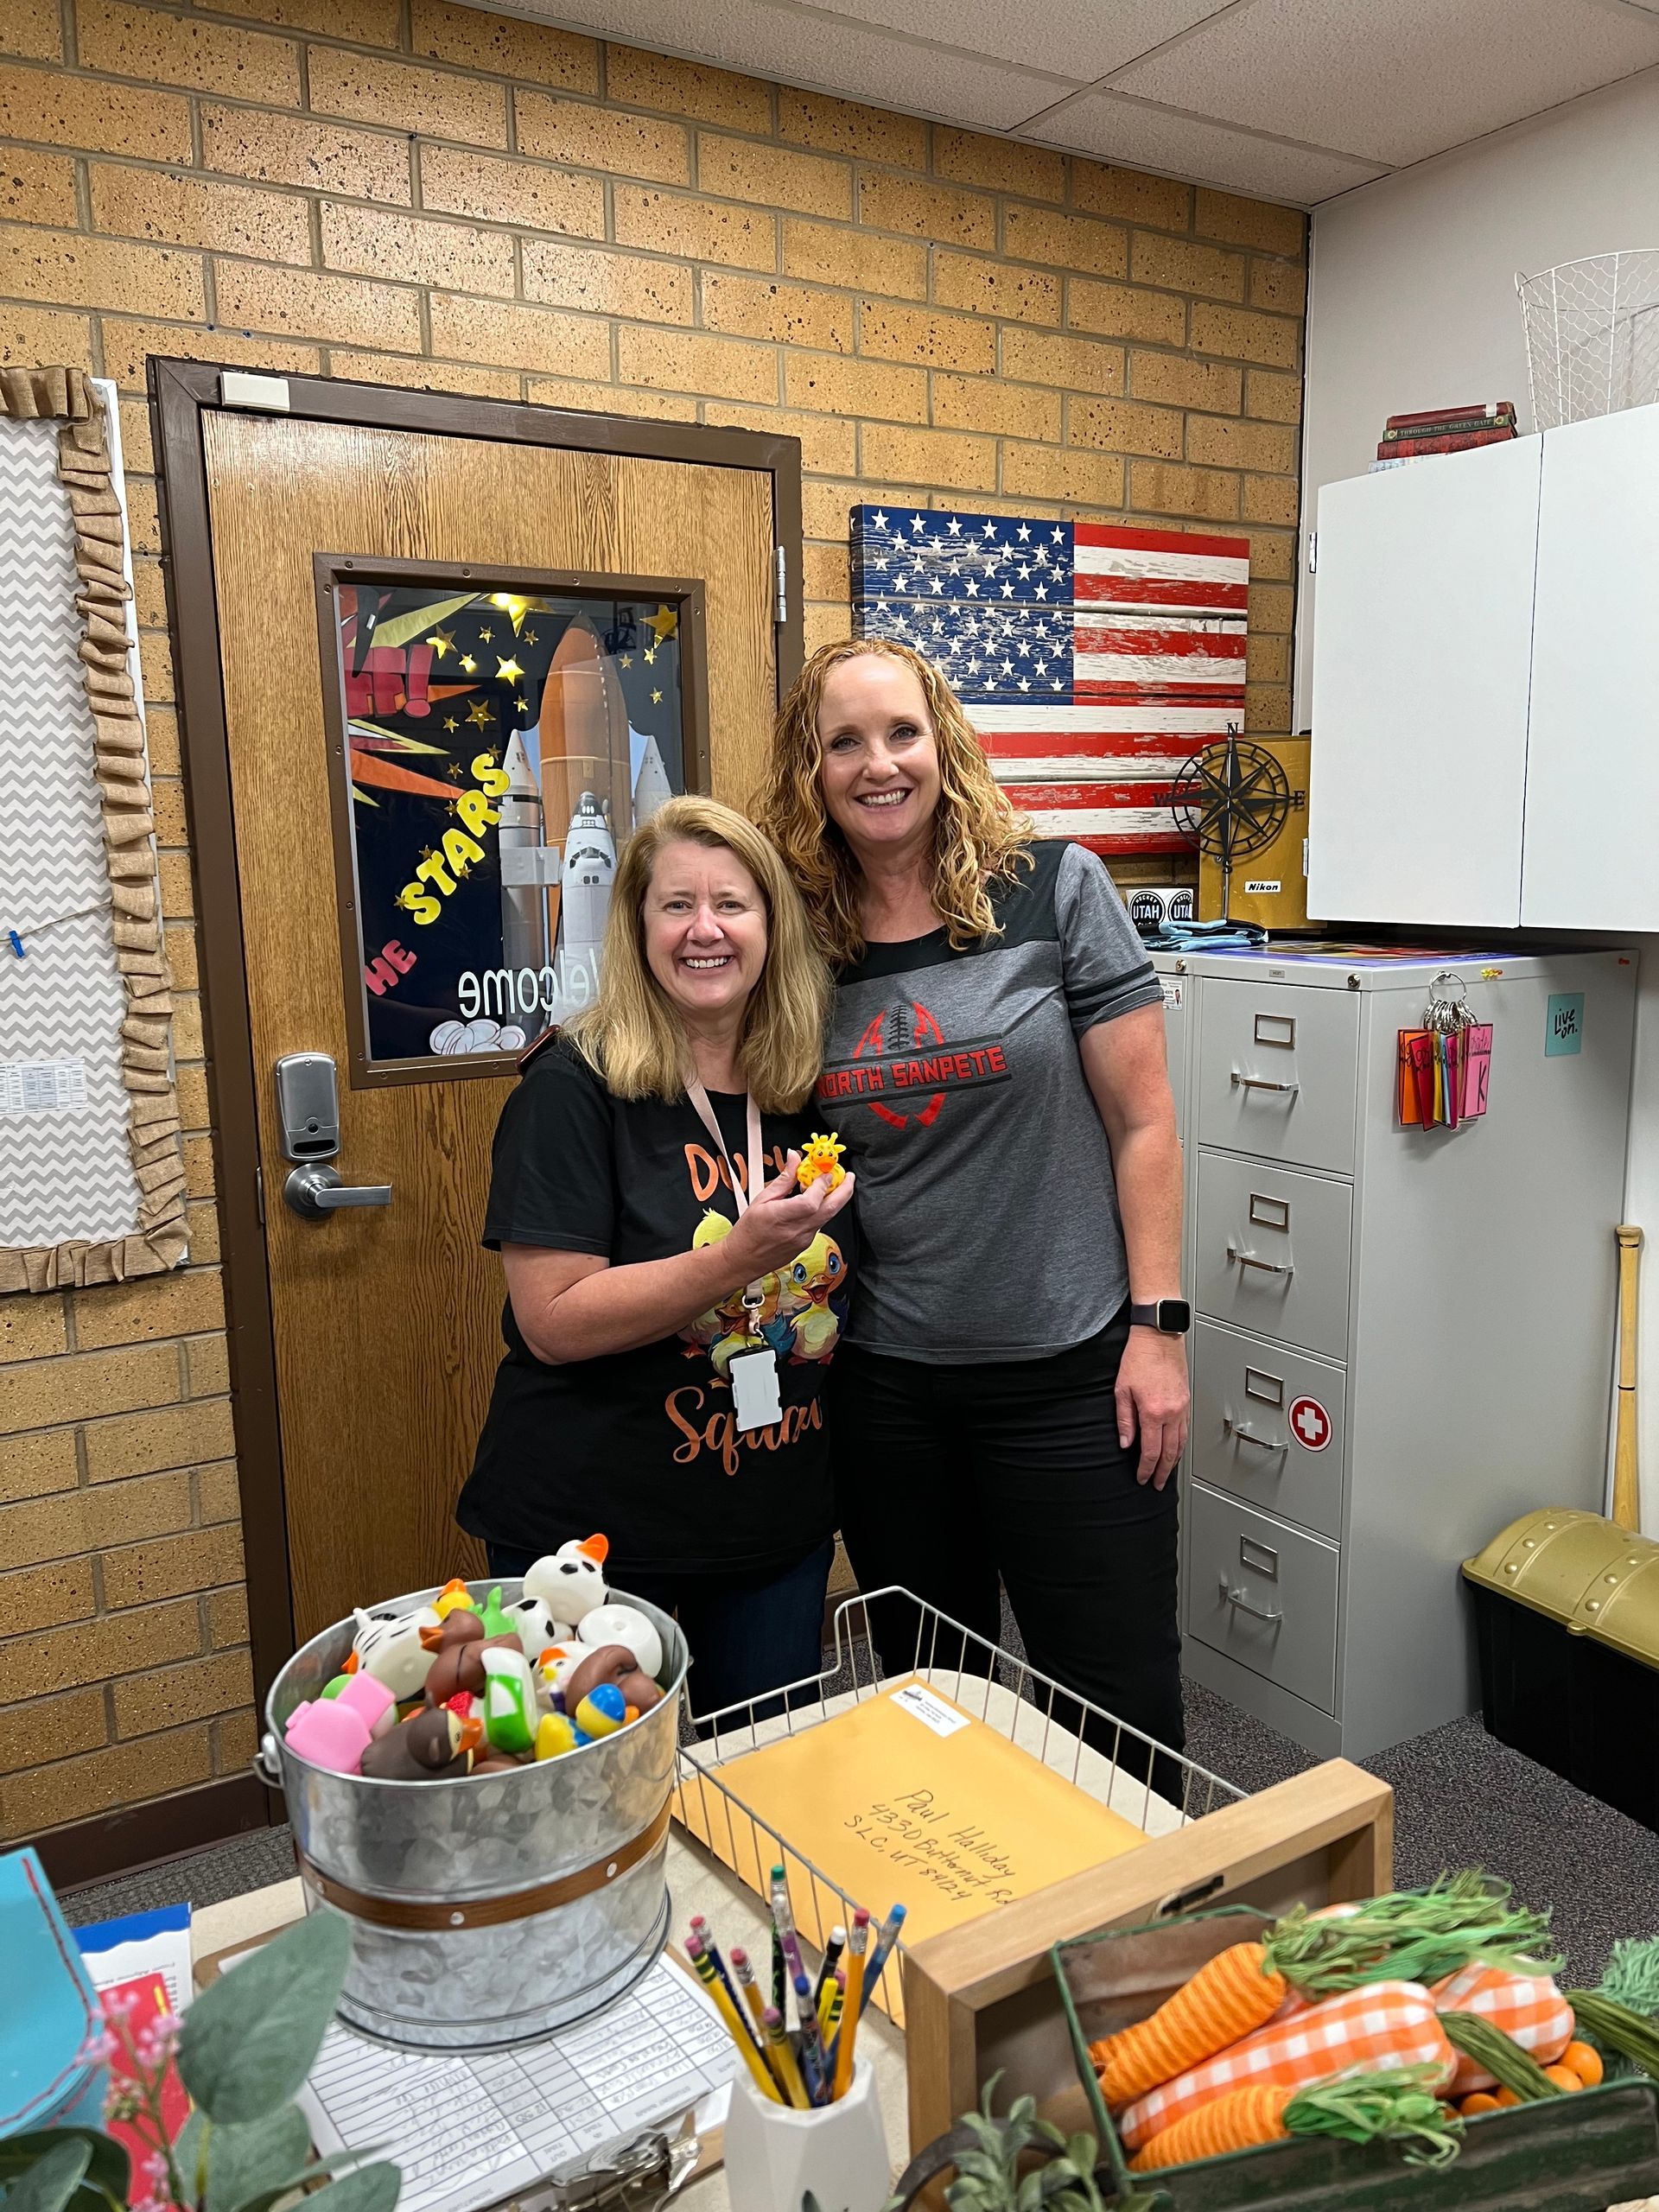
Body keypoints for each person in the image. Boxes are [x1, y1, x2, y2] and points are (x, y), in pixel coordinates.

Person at [757, 637, 1190, 1770]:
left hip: (1073, 1376)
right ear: (812, 772)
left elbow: (1145, 1123)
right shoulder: (802, 943)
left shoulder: (1052, 890)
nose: (877, 763)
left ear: (941, 745)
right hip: (891, 1392)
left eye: (900, 732)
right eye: (842, 741)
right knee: (933, 1703)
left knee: (1117, 1709)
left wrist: (1160, 1331)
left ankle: (1151, 1946)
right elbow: (705, 1041)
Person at [457, 795, 856, 1716]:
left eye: (733, 904)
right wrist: (737, 1257)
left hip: (771, 1528)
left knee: (759, 1798)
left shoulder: (809, 1084)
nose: (704, 930)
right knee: (587, 1801)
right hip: (592, 1540)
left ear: (771, 925)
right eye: (677, 905)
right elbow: (551, 1323)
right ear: (636, 925)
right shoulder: (571, 1087)